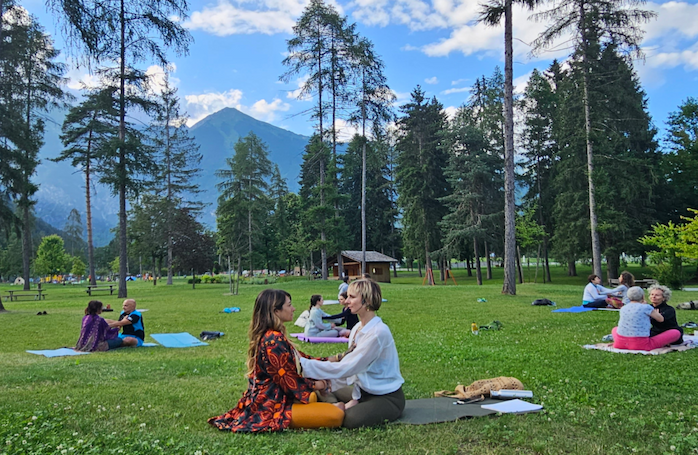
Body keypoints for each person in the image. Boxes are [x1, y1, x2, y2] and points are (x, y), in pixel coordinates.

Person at [208, 289, 344, 432]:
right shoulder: (273, 340)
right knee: (336, 415)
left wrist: (335, 359)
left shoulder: (274, 335)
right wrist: (320, 384)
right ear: (276, 311)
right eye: (289, 305)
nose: (293, 309)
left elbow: (302, 359)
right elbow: (290, 382)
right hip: (270, 404)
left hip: (279, 397)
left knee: (320, 399)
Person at [300, 279, 405, 428]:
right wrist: (326, 384)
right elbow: (352, 371)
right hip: (362, 393)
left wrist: (304, 365)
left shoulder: (378, 333)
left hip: (386, 397)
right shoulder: (357, 328)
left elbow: (348, 367)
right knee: (323, 390)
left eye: (352, 297)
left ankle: (337, 407)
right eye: (347, 296)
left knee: (349, 419)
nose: (347, 301)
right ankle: (337, 405)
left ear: (367, 300)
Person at [612, 286, 682, 351]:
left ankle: (620, 340)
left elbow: (661, 320)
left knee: (615, 329)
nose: (653, 296)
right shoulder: (647, 307)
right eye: (652, 294)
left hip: (664, 330)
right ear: (643, 297)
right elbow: (659, 318)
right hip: (644, 341)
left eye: (657, 295)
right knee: (675, 333)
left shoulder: (669, 309)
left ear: (664, 298)